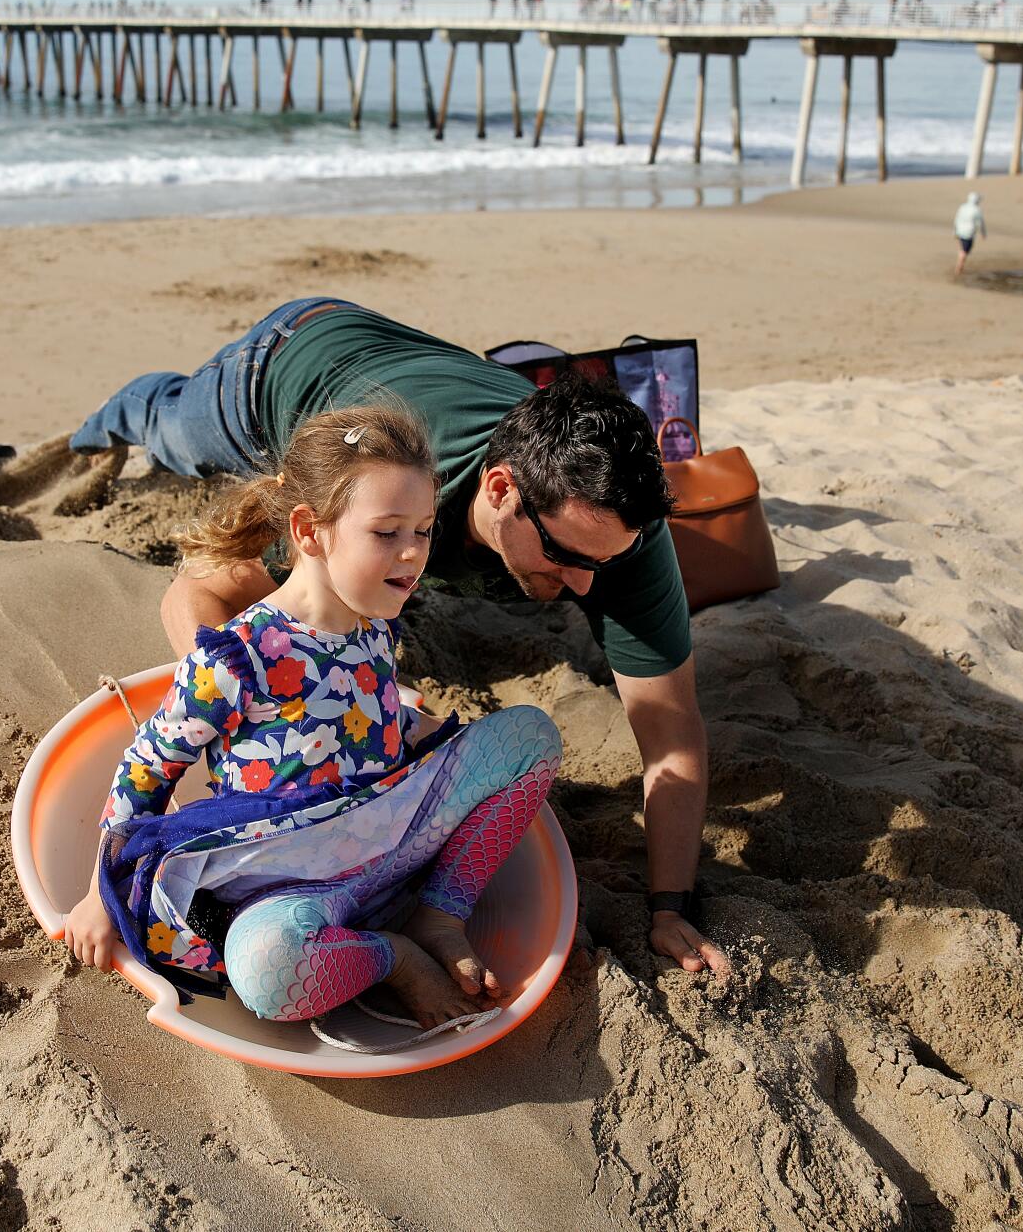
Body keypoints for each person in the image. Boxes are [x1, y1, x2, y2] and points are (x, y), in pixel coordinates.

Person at [70, 298, 731, 976]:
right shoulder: (389, 494)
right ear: (499, 489)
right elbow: (202, 590)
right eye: (568, 556)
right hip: (280, 367)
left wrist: (669, 906)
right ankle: (103, 422)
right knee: (173, 428)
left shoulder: (619, 529)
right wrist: (254, 709)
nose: (589, 588)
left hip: (404, 366)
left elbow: (673, 732)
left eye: (607, 561)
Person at [64, 405, 564, 1029]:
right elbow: (145, 769)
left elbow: (358, 722)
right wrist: (99, 895)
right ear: (309, 531)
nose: (412, 555)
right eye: (387, 533)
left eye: (425, 530)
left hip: (398, 845)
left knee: (531, 735)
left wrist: (418, 735)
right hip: (295, 895)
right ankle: (393, 955)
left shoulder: (377, 623)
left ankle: (439, 913)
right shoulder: (238, 657)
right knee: (265, 973)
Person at [953, 191, 987, 276]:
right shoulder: (976, 210)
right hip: (968, 233)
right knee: (965, 251)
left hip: (960, 231)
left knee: (964, 249)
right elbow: (980, 223)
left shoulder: (962, 207)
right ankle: (959, 268)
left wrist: (955, 231)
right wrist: (983, 233)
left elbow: (957, 218)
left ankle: (960, 266)